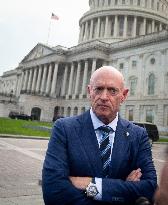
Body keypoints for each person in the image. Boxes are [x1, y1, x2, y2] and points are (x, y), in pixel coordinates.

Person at [42, 66, 157, 205]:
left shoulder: (138, 135)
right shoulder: (64, 129)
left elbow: (150, 188)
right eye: (98, 89)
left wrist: (91, 185)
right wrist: (123, 189)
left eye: (112, 90)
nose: (103, 97)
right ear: (90, 91)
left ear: (124, 95)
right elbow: (54, 192)